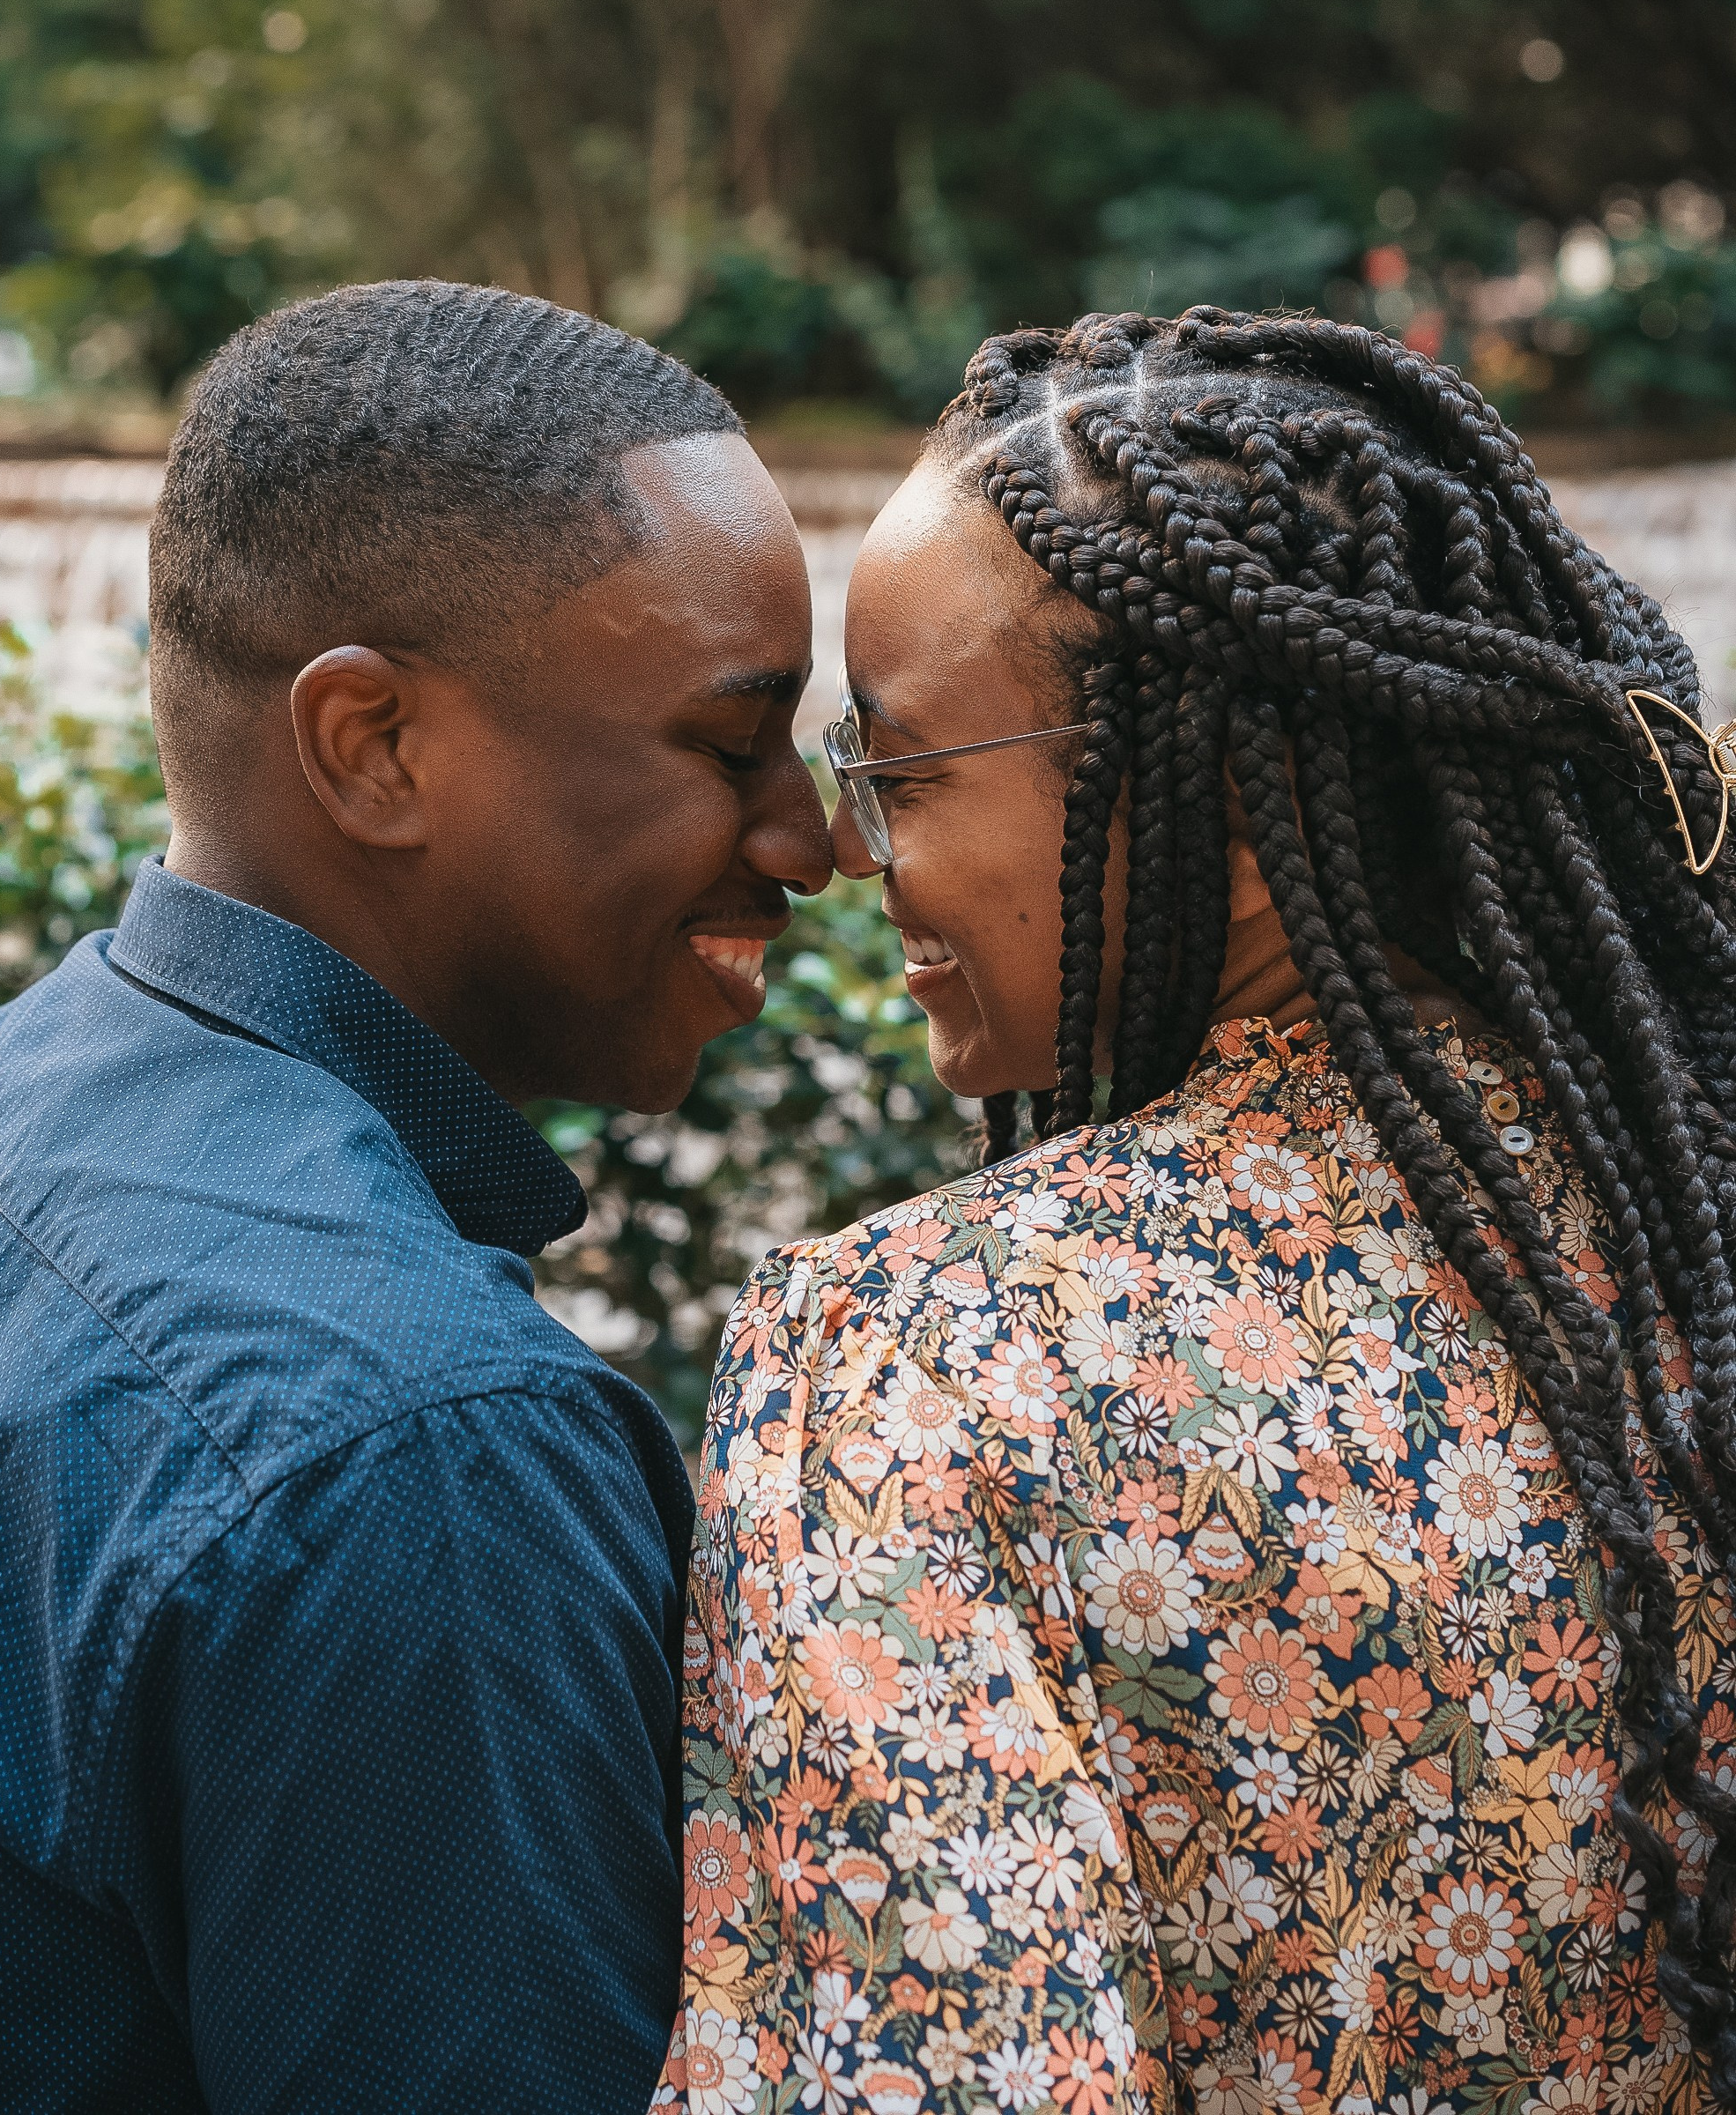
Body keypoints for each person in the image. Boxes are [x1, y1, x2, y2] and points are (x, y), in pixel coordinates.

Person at [659, 308, 1736, 2115]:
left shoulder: (924, 1369)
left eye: (901, 768)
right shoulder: (1674, 1213)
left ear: (1215, 802)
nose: (850, 849)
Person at [0, 280, 832, 2113]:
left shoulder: (16, 1099)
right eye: (728, 745)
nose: (810, 847)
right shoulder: (422, 1451)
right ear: (372, 746)